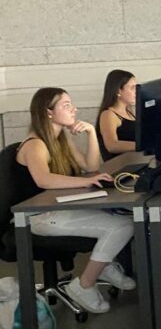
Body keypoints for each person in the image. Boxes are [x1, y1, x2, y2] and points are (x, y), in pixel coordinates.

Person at [15, 87, 136, 314]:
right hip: (38, 217)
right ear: (48, 112)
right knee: (122, 226)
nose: (74, 109)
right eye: (66, 105)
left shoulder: (60, 138)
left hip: (58, 209)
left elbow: (91, 166)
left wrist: (91, 132)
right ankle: (84, 285)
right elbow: (43, 179)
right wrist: (86, 182)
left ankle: (104, 266)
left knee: (124, 218)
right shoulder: (35, 144)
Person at [96, 69, 137, 159]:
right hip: (121, 166)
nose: (136, 91)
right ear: (118, 91)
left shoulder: (130, 113)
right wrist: (142, 145)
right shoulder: (108, 114)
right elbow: (112, 145)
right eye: (132, 88)